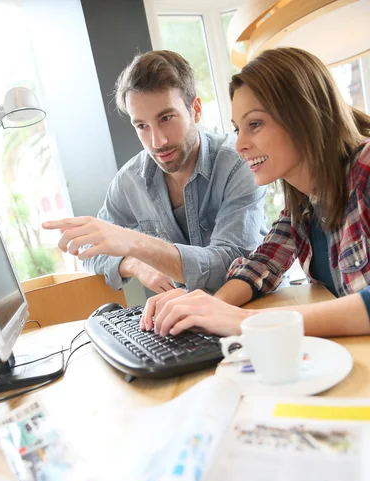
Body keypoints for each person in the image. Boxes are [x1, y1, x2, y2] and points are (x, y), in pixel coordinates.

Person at [140, 47, 370, 339]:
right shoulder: (303, 200)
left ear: (304, 115)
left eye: (255, 124)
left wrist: (246, 320)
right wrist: (208, 307)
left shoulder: (365, 168)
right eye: (238, 129)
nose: (240, 145)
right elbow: (263, 264)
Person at [42, 50, 266, 294]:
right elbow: (91, 252)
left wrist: (136, 244)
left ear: (196, 109)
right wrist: (133, 262)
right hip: (187, 318)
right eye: (142, 126)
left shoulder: (238, 163)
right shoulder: (129, 182)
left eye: (167, 118)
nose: (157, 141)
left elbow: (231, 263)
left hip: (257, 312)